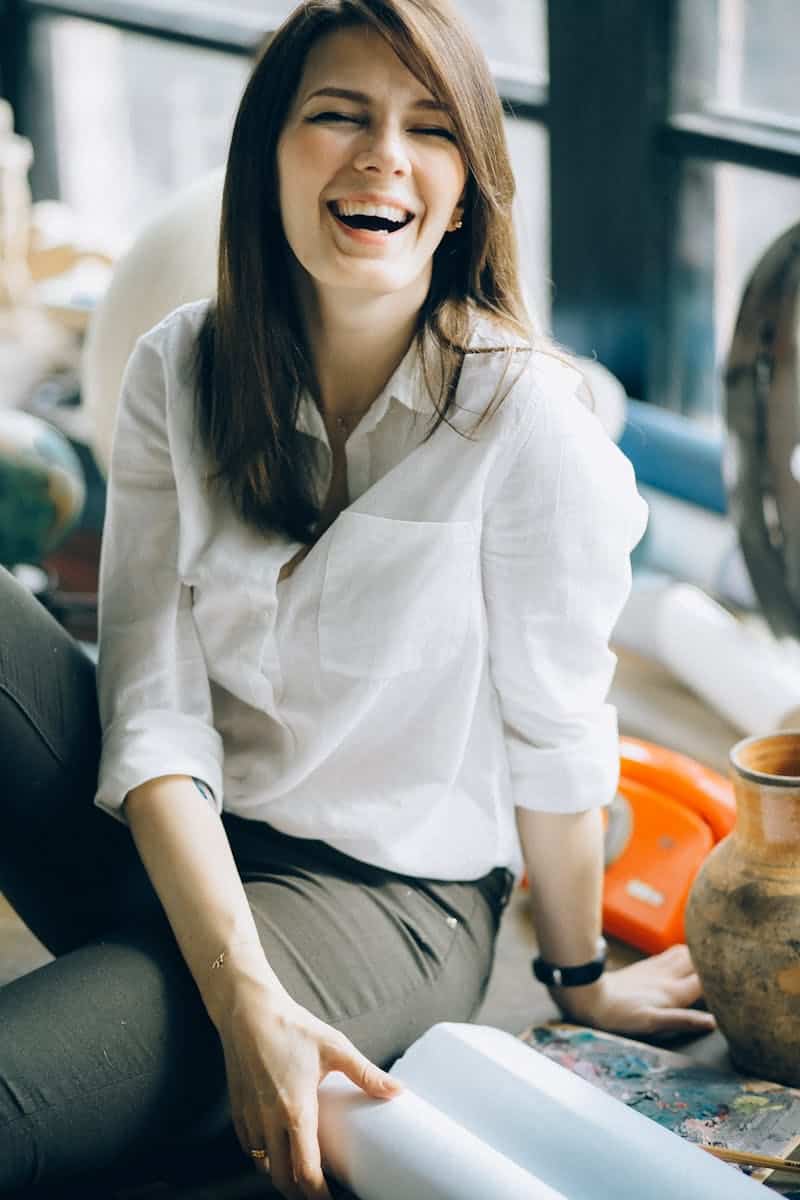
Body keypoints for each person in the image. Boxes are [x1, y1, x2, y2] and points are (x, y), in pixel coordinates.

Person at [0, 1, 716, 1196]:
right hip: (175, 844)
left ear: (466, 184)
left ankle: (158, 1033)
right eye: (337, 115)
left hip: (383, 903)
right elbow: (153, 710)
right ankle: (178, 1024)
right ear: (267, 154)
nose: (382, 152)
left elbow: (556, 733)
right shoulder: (178, 365)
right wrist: (237, 992)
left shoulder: (525, 422)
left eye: (428, 128)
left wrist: (578, 978)